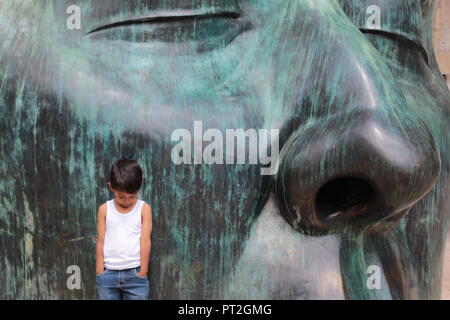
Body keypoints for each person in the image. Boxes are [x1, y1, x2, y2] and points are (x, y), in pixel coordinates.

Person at [95, 158, 152, 300]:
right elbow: (100, 241)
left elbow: (145, 241)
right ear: (111, 187)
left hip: (135, 273)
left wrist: (143, 271)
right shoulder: (104, 209)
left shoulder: (144, 209)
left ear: (139, 189)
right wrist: (100, 270)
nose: (126, 200)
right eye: (121, 196)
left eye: (131, 197)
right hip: (108, 274)